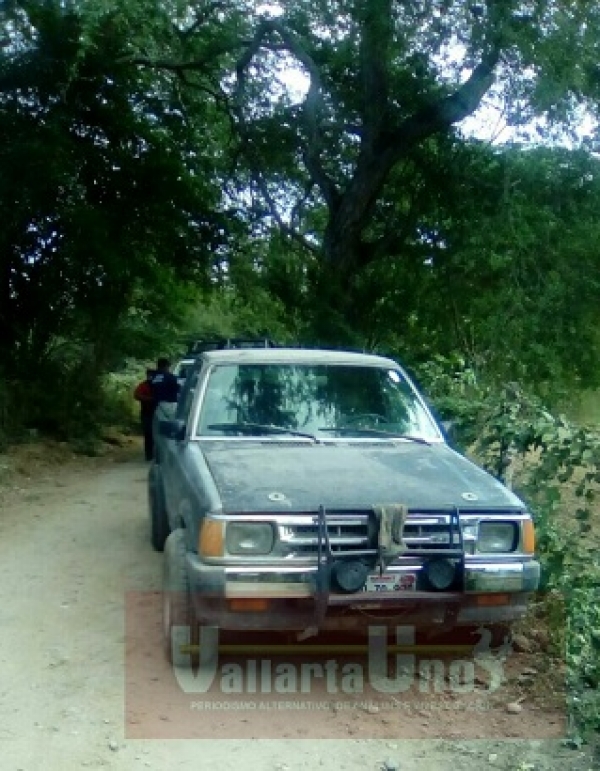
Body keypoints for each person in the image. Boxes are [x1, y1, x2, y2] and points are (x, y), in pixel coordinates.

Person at [133, 369, 156, 461]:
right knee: (148, 433)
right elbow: (136, 395)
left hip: (157, 412)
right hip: (146, 412)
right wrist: (149, 399)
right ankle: (149, 455)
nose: (150, 377)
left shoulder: (158, 385)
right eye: (149, 375)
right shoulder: (143, 385)